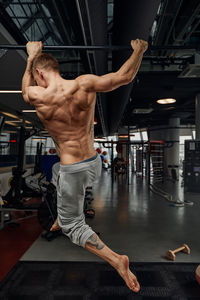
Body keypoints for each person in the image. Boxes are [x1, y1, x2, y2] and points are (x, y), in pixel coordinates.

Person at [22, 38, 148, 293]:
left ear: (39, 72)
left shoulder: (38, 95)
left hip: (74, 171)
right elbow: (123, 77)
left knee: (73, 226)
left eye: (36, 77)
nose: (35, 82)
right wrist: (139, 51)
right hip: (93, 163)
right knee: (56, 170)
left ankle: (117, 260)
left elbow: (25, 92)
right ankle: (61, 215)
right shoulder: (84, 83)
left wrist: (30, 56)